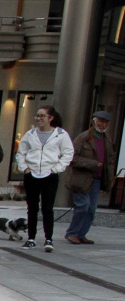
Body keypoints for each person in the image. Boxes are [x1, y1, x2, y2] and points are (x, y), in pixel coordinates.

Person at [15, 105, 74, 252]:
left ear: (51, 118)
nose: (38, 119)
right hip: (32, 175)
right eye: (37, 116)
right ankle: (31, 238)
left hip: (50, 175)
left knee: (47, 207)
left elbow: (68, 153)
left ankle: (48, 239)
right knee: (32, 207)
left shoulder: (61, 134)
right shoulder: (30, 134)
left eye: (42, 116)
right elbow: (21, 153)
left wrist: (56, 169)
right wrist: (25, 169)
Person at [65, 111, 118, 245]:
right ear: (94, 121)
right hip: (81, 179)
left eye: (106, 122)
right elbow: (72, 158)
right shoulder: (84, 137)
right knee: (83, 205)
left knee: (91, 209)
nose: (103, 124)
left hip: (97, 180)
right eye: (100, 121)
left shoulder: (107, 138)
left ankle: (81, 234)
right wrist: (92, 164)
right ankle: (72, 233)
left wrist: (110, 179)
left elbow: (110, 161)